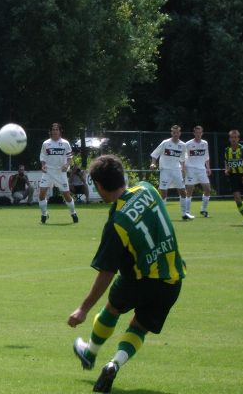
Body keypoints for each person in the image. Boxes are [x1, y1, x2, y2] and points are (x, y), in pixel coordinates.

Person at [68, 155, 185, 393]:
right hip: (172, 279)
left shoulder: (117, 222)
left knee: (111, 309)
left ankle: (90, 353)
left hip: (139, 280)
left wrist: (83, 308)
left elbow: (107, 271)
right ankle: (114, 363)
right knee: (139, 328)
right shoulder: (148, 188)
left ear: (100, 186)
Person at [38, 123, 78, 224]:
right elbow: (43, 157)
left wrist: (67, 165)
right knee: (41, 194)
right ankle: (44, 214)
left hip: (60, 172)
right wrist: (43, 165)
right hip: (48, 171)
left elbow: (69, 157)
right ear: (50, 131)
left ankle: (73, 213)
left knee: (67, 195)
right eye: (53, 129)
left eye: (57, 129)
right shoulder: (46, 143)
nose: (55, 131)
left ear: (60, 131)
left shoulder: (65, 143)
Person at [149, 125, 192, 220]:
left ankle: (184, 214)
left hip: (177, 170)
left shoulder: (183, 145)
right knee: (163, 192)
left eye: (177, 132)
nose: (175, 134)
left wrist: (184, 170)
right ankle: (162, 215)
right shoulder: (165, 143)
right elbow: (155, 154)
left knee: (183, 192)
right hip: (165, 170)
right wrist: (153, 164)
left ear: (179, 133)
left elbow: (183, 160)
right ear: (171, 133)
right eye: (173, 132)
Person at [184, 125, 212, 217]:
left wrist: (208, 168)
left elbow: (206, 156)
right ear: (194, 133)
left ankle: (203, 210)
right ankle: (187, 212)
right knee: (189, 191)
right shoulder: (188, 144)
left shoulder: (205, 143)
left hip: (201, 169)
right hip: (190, 169)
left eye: (200, 132)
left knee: (207, 189)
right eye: (197, 132)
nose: (198, 134)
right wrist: (184, 168)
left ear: (202, 133)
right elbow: (183, 157)